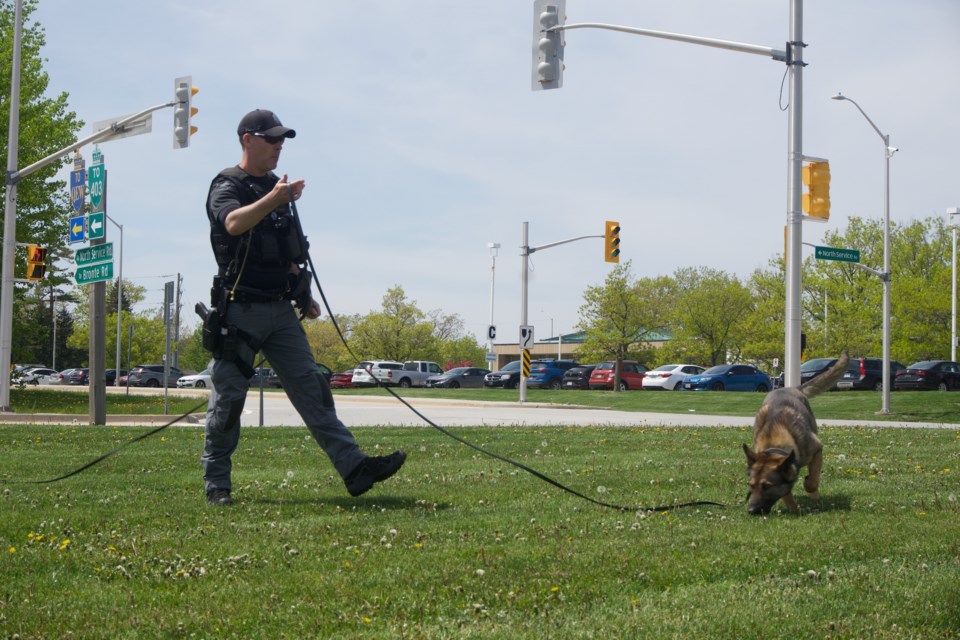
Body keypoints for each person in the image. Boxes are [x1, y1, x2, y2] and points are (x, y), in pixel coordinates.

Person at [201, 108, 406, 506]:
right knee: (228, 403)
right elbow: (232, 224)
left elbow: (287, 254)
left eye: (282, 140)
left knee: (314, 390)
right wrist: (275, 197)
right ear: (248, 139)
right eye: (272, 139)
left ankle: (354, 468)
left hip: (280, 312)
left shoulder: (279, 192)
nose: (279, 146)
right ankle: (217, 485)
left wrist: (303, 295)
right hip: (239, 312)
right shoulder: (228, 185)